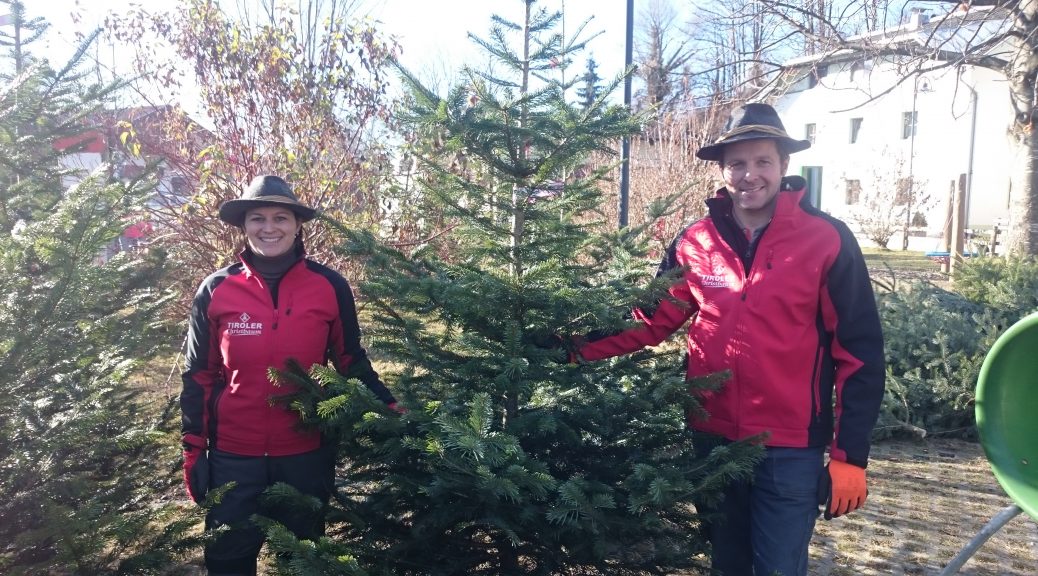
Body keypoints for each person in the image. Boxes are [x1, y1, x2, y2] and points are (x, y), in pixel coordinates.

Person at [573, 103, 885, 576]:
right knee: (727, 566)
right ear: (722, 171)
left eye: (762, 161)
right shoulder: (695, 242)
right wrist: (567, 344)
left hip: (790, 447)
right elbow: (649, 320)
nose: (749, 175)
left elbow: (859, 353)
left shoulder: (827, 240)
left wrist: (850, 457)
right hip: (712, 437)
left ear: (784, 165)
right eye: (737, 163)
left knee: (778, 569)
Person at [180, 175, 401, 575]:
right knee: (227, 560)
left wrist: (389, 407)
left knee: (301, 562)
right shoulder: (216, 289)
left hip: (305, 453)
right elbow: (199, 375)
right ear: (243, 226)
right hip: (233, 457)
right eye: (257, 218)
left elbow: (350, 360)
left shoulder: (330, 286)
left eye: (281, 217)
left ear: (297, 224)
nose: (269, 228)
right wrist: (194, 448)